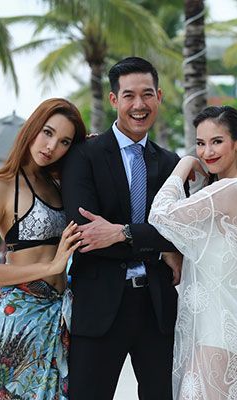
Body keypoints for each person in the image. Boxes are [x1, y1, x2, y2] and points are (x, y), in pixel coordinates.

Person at [61, 57, 182, 400]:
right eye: (129, 95)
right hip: (99, 306)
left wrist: (121, 233)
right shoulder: (83, 156)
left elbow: (179, 232)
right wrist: (154, 240)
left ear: (159, 96)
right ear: (114, 99)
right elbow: (86, 234)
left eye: (147, 94)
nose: (139, 105)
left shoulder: (170, 163)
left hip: (156, 306)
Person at [0, 98, 87, 400]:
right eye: (47, 132)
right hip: (19, 319)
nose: (51, 146)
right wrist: (50, 267)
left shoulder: (61, 185)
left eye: (64, 141)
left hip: (61, 315)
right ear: (32, 128)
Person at [149, 105, 237, 400]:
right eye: (200, 144)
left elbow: (160, 215)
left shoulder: (231, 189)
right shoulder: (236, 187)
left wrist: (184, 164)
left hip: (219, 331)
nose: (207, 152)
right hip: (217, 328)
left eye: (217, 141)